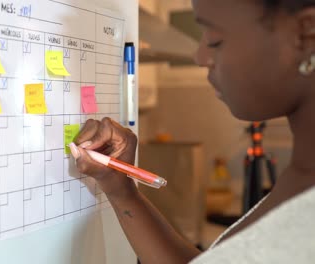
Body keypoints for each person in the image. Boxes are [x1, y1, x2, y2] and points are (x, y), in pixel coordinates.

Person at [68, 0, 315, 263]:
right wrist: (121, 190)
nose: (200, 57)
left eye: (215, 39)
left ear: (305, 31)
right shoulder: (303, 172)